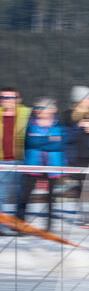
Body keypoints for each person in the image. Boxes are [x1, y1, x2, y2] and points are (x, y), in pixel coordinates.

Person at [16, 98, 65, 231]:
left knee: (51, 198)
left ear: (52, 110)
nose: (38, 111)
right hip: (33, 164)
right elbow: (30, 142)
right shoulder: (30, 124)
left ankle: (49, 227)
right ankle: (19, 225)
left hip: (52, 165)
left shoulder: (58, 125)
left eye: (42, 108)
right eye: (37, 108)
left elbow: (58, 144)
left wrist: (41, 140)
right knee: (24, 195)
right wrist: (48, 140)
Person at [61, 86, 89, 224]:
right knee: (81, 186)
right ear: (80, 100)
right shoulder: (68, 116)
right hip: (76, 156)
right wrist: (80, 127)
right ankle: (85, 213)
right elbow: (66, 137)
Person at [0, 88, 29, 233]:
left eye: (11, 97)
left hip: (21, 161)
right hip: (1, 162)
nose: (7, 100)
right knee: (1, 196)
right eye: (4, 97)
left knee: (20, 196)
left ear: (18, 99)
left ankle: (19, 226)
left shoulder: (27, 114)